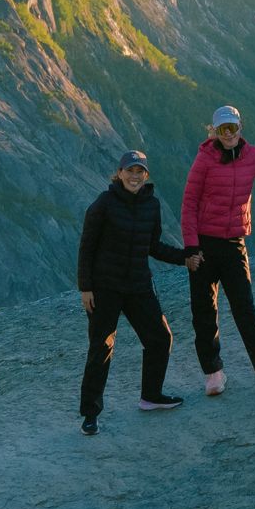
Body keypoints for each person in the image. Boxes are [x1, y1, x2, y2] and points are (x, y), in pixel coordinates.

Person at [179, 105, 255, 394]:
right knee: (204, 311)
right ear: (214, 132)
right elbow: (189, 204)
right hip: (204, 245)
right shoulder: (204, 160)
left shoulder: (252, 157)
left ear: (240, 128)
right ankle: (213, 373)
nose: (229, 134)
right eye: (223, 129)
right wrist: (191, 247)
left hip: (234, 244)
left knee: (245, 309)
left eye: (233, 127)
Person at [74, 149, 191, 435]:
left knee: (160, 338)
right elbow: (86, 247)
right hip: (105, 288)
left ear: (145, 175)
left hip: (138, 285)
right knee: (101, 348)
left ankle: (151, 396)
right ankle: (90, 414)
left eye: (140, 171)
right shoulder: (103, 203)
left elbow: (153, 246)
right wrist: (86, 288)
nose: (135, 176)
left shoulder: (152, 205)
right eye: (130, 171)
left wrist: (184, 257)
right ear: (120, 173)